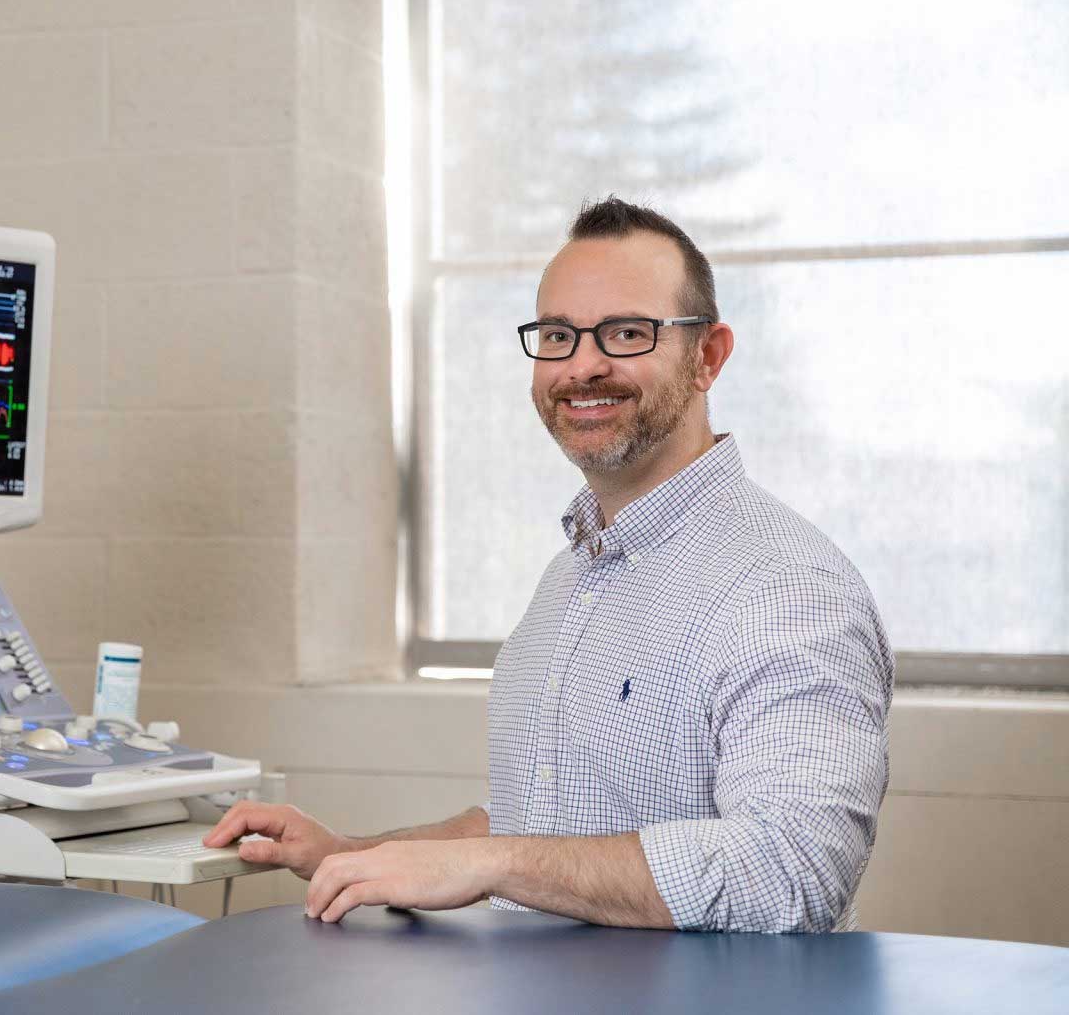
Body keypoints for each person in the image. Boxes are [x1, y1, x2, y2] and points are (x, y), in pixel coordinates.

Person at [204, 197, 894, 933]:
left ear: (709, 357)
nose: (582, 366)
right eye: (558, 336)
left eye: (627, 332)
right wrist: (353, 852)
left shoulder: (785, 587)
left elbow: (792, 871)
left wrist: (494, 864)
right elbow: (551, 820)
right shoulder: (574, 574)